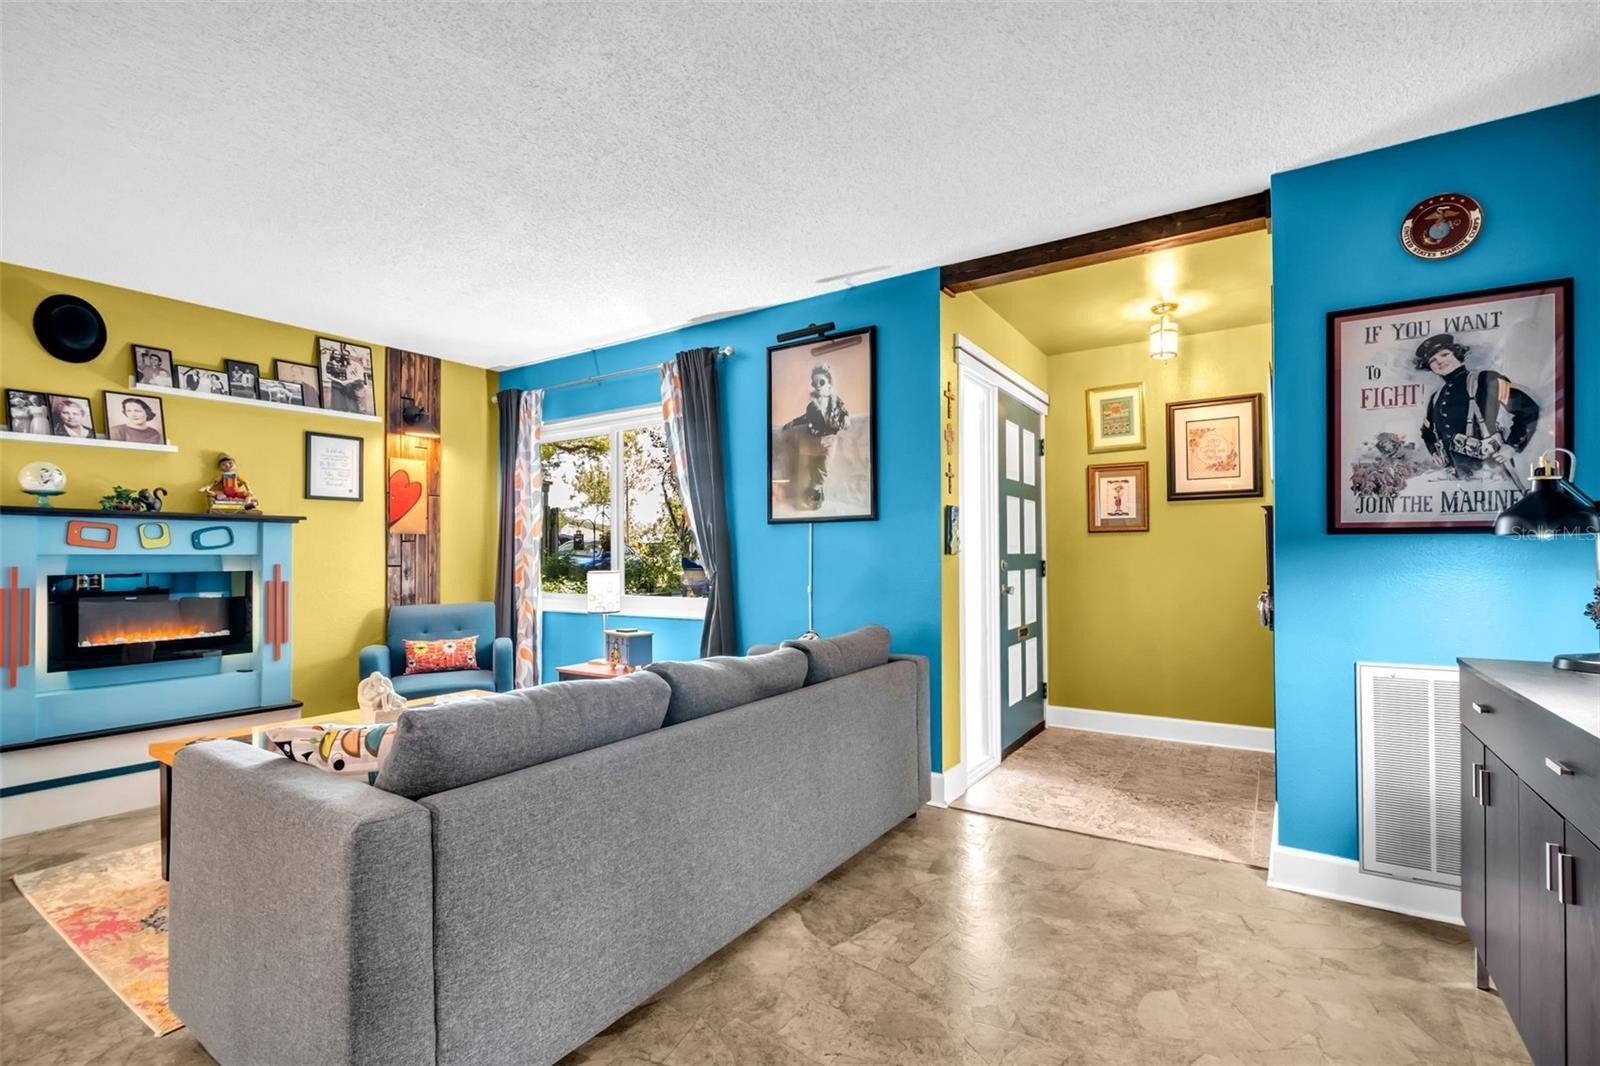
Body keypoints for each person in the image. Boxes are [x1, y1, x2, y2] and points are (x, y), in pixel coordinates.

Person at [1415, 334, 1540, 481]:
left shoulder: (1486, 380)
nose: (1439, 362)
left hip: (1490, 471)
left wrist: (1512, 446)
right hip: (1455, 475)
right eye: (1432, 360)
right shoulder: (1436, 397)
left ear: (1457, 353)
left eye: (1444, 354)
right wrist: (1433, 451)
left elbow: (1528, 409)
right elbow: (1427, 431)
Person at [780, 362, 851, 509]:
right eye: (814, 383)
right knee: (813, 467)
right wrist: (793, 422)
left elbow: (843, 412)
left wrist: (845, 417)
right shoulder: (811, 406)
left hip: (829, 440)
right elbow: (806, 418)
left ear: (829, 383)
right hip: (813, 440)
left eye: (822, 382)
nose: (818, 385)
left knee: (824, 467)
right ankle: (814, 493)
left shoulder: (835, 401)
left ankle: (815, 489)